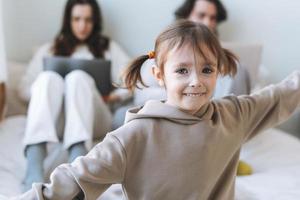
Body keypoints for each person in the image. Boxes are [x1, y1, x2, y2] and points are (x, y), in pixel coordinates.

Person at [10, 20, 300, 200]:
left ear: (218, 71)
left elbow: (282, 95)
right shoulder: (133, 136)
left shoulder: (233, 115)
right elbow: (75, 180)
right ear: (159, 76)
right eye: (182, 70)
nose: (196, 81)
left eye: (207, 69)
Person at [18, 0, 130, 191]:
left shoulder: (107, 47)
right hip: (58, 122)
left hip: (94, 120)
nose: (82, 26)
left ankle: (77, 165)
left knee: (77, 78)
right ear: (68, 21)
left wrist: (114, 96)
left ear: (95, 22)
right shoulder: (51, 48)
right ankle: (34, 166)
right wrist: (52, 90)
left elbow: (132, 80)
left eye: (88, 20)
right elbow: (23, 88)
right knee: (47, 78)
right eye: (77, 19)